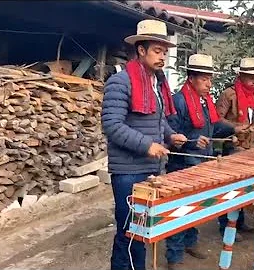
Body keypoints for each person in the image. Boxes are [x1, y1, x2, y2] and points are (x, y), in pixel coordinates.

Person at [101, 19, 188, 270]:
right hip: (128, 172)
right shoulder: (121, 82)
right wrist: (148, 146)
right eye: (157, 51)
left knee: (142, 232)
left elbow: (158, 119)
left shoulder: (157, 82)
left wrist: (170, 135)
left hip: (150, 169)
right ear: (141, 50)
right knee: (129, 234)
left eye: (165, 52)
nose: (163, 57)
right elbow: (112, 125)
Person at [165, 54, 237, 270]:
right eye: (204, 79)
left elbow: (213, 128)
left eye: (210, 79)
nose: (209, 84)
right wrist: (192, 142)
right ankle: (174, 257)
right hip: (182, 165)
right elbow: (171, 136)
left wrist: (234, 130)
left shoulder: (205, 102)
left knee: (194, 209)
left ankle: (190, 243)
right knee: (179, 210)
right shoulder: (179, 101)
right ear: (192, 78)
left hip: (201, 163)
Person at [215, 57, 254, 241]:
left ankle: (239, 221)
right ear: (241, 75)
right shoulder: (228, 94)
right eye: (250, 77)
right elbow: (216, 120)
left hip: (249, 147)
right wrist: (235, 127)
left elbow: (253, 122)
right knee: (230, 189)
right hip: (232, 146)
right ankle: (225, 225)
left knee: (243, 188)